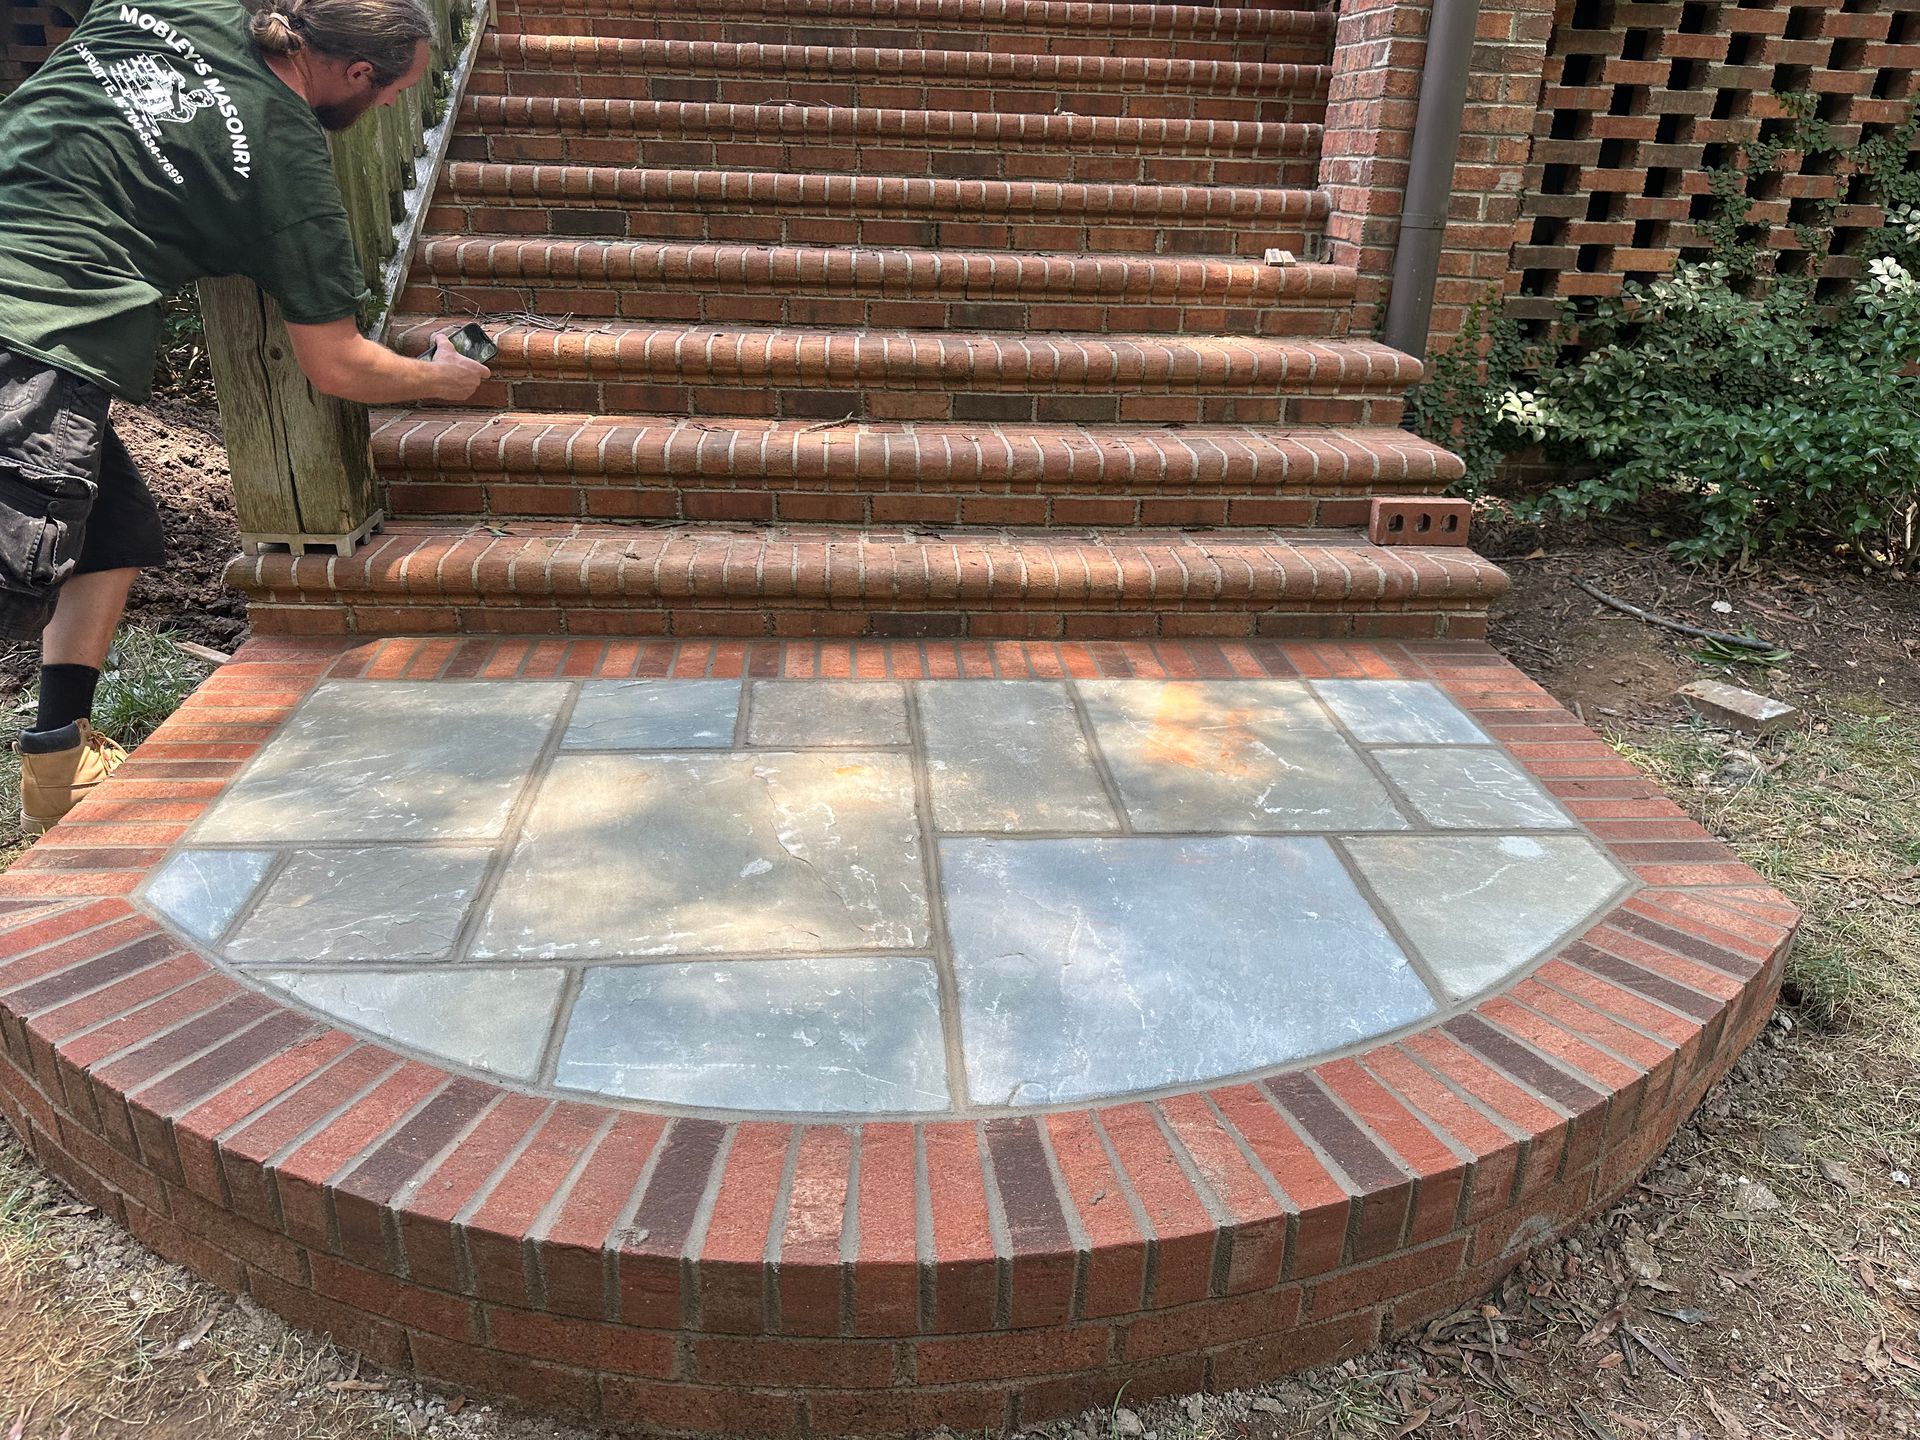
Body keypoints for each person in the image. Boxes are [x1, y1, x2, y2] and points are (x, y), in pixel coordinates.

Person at [0, 0, 491, 832]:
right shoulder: (291, 164)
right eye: (386, 95)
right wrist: (440, 384)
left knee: (111, 530)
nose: (381, 112)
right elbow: (334, 362)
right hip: (36, 324)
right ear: (355, 72)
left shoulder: (183, 3)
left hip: (36, 323)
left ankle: (60, 755)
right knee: (13, 581)